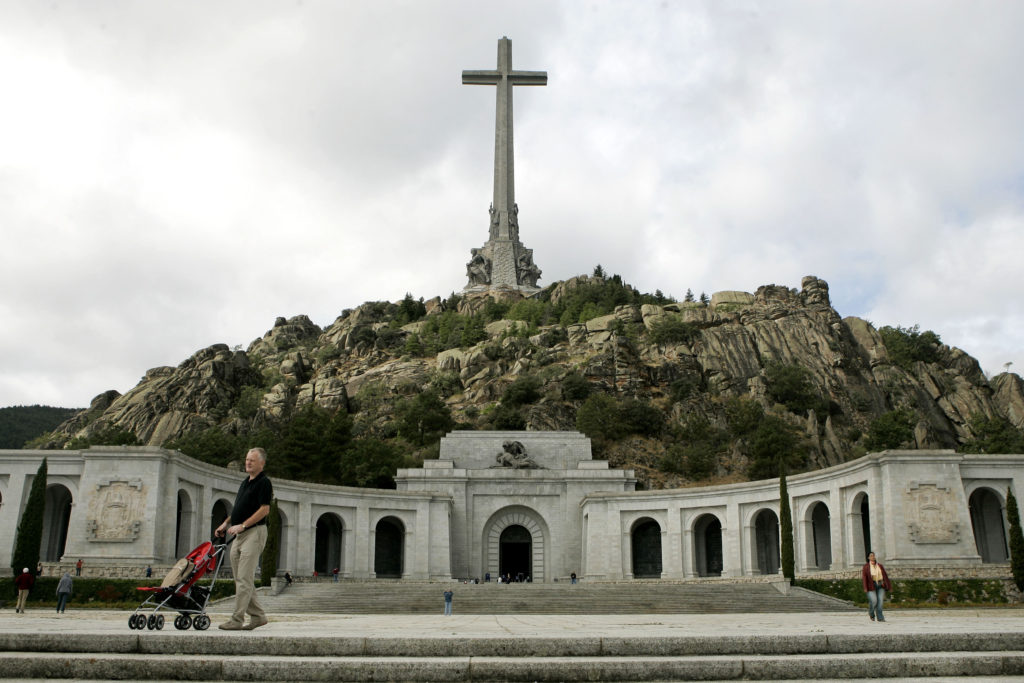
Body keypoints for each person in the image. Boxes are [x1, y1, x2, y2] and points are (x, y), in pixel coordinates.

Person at [215, 447, 273, 631]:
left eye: (252, 461)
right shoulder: (244, 483)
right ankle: (258, 616)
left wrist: (244, 525)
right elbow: (238, 509)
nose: (248, 463)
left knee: (244, 578)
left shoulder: (264, 483)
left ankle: (237, 619)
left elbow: (265, 509)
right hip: (239, 533)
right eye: (247, 459)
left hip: (254, 532)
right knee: (241, 578)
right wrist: (225, 524)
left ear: (262, 463)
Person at [861, 551, 893, 622]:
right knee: (874, 601)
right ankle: (871, 613)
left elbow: (885, 576)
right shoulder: (866, 567)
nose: (873, 557)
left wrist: (889, 586)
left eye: (874, 555)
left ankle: (880, 617)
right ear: (868, 557)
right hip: (871, 585)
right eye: (871, 556)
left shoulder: (880, 566)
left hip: (880, 584)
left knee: (880, 602)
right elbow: (864, 578)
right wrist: (865, 587)